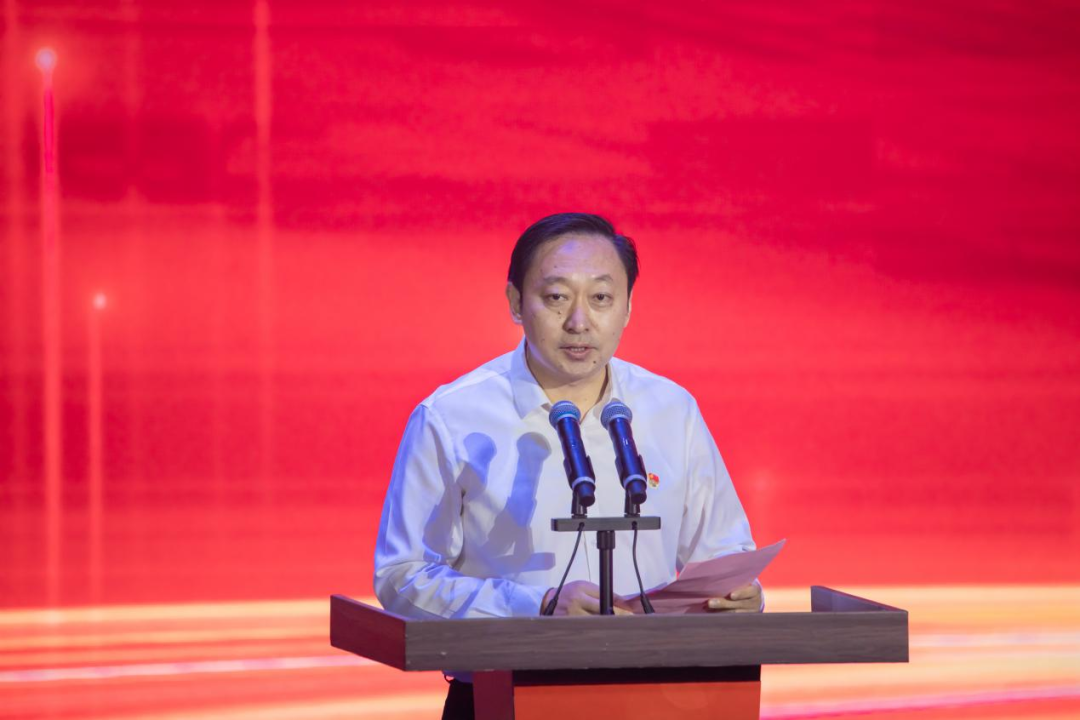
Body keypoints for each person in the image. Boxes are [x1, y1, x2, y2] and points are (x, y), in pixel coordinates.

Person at [373, 213, 762, 719]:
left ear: (628, 307)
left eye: (601, 298)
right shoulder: (451, 418)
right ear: (516, 302)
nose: (580, 321)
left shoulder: (671, 409)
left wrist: (738, 595)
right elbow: (402, 578)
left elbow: (725, 551)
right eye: (557, 297)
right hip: (504, 698)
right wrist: (535, 607)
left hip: (658, 695)